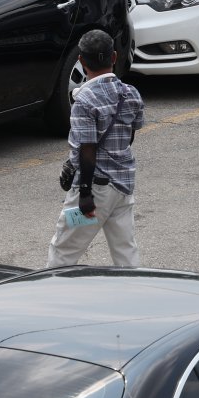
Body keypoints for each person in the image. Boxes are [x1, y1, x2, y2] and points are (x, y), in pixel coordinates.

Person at [48, 30, 145, 267]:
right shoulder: (130, 93)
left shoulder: (84, 100)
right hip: (123, 186)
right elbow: (131, 133)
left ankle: (51, 296)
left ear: (81, 61)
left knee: (63, 251)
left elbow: (87, 150)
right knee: (126, 253)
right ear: (113, 57)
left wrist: (84, 194)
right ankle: (135, 296)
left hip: (95, 191)